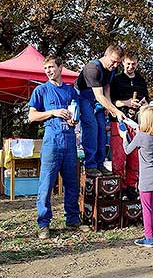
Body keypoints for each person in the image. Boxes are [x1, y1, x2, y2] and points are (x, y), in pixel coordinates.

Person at [28, 55, 80, 239]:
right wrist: (53, 112)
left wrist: (75, 120)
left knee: (72, 183)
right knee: (46, 184)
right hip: (51, 140)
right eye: (46, 68)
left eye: (51, 67)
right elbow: (32, 116)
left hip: (70, 140)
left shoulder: (70, 90)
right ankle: (43, 224)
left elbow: (77, 112)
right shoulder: (41, 90)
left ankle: (73, 220)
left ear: (60, 67)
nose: (49, 71)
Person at [75, 45, 125, 177]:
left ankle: (100, 163)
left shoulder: (112, 69)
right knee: (92, 127)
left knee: (102, 129)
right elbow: (98, 95)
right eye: (113, 61)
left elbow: (106, 87)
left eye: (118, 63)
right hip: (84, 98)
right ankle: (90, 165)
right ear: (106, 55)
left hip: (98, 101)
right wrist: (115, 109)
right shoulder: (93, 68)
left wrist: (107, 106)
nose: (115, 65)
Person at [119, 105, 153, 248]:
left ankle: (148, 238)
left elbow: (127, 150)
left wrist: (123, 137)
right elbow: (145, 135)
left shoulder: (140, 137)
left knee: (146, 208)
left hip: (146, 177)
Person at [110, 50, 149, 200]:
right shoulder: (116, 79)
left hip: (137, 124)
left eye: (133, 64)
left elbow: (147, 100)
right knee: (119, 159)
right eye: (128, 64)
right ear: (123, 63)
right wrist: (126, 103)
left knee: (135, 159)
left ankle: (131, 188)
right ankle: (118, 188)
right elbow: (112, 103)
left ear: (137, 64)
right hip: (119, 122)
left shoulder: (141, 80)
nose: (130, 66)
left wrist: (143, 103)